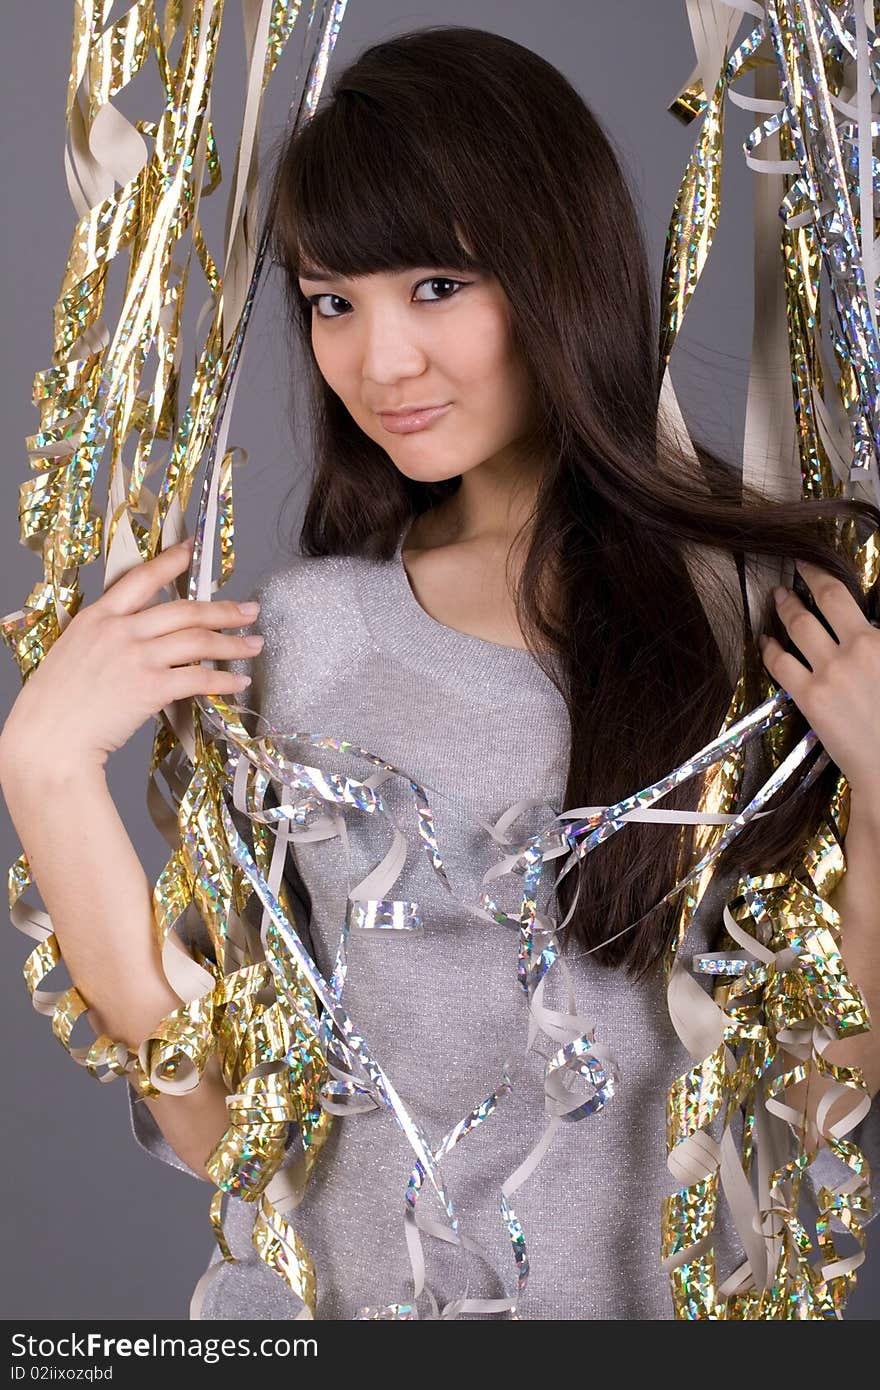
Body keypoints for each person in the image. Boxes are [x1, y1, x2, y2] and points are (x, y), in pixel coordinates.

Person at [2, 25, 879, 1321]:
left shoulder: (767, 623)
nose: (380, 362)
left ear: (555, 267)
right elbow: (229, 1127)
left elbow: (827, 1084)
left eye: (434, 286)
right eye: (331, 301)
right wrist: (45, 768)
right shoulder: (309, 636)